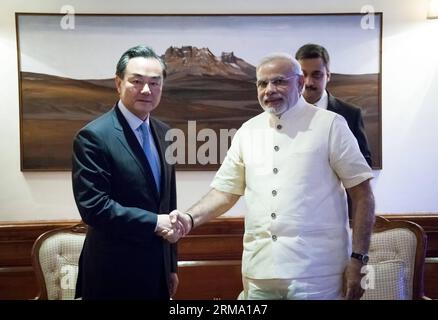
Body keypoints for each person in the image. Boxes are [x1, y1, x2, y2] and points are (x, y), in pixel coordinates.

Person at [160, 53, 375, 300]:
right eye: (262, 84)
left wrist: (359, 259)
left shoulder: (331, 125)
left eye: (279, 81)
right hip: (259, 272)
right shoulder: (248, 132)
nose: (269, 90)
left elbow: (362, 195)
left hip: (316, 274)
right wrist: (188, 218)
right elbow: (225, 192)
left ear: (300, 84)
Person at [72, 45, 181, 299]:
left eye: (155, 83)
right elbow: (94, 208)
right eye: (137, 81)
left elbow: (168, 202)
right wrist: (155, 222)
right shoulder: (93, 137)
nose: (146, 90)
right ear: (118, 83)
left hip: (158, 275)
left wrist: (171, 266)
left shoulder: (166, 133)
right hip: (112, 274)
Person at [295, 43, 372, 167]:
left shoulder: (351, 114)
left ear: (328, 76)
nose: (308, 82)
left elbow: (364, 163)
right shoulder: (285, 113)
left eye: (317, 75)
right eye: (303, 75)